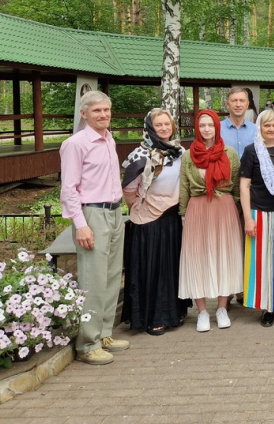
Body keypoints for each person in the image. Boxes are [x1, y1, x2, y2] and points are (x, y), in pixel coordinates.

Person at [59, 91, 129, 365]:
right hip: (92, 215)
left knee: (112, 277)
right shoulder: (76, 144)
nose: (103, 115)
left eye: (106, 110)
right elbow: (69, 190)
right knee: (93, 280)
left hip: (114, 213)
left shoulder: (108, 139)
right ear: (84, 114)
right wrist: (81, 225)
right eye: (97, 110)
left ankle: (104, 334)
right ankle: (88, 344)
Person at [121, 109, 190, 336]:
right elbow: (129, 189)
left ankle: (173, 312)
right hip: (148, 220)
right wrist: (138, 208)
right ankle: (152, 317)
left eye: (166, 124)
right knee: (152, 270)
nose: (163, 128)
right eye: (158, 125)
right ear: (150, 127)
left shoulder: (180, 152)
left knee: (170, 268)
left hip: (172, 218)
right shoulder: (140, 154)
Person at [178, 109, 243, 332]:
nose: (207, 129)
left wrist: (230, 205)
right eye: (202, 125)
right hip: (197, 208)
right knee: (198, 257)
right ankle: (203, 311)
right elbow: (184, 187)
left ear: (217, 126)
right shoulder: (188, 155)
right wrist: (183, 213)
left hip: (224, 207)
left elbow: (235, 183)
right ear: (197, 128)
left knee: (225, 255)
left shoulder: (229, 152)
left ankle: (222, 308)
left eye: (210, 125)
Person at [239, 109, 274, 326]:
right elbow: (244, 186)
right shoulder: (251, 151)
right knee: (261, 264)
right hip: (258, 213)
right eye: (266, 126)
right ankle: (266, 309)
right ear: (259, 128)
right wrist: (247, 218)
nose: (271, 129)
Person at [220, 87, 257, 155]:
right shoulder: (218, 129)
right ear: (227, 104)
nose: (238, 105)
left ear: (247, 104)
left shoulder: (255, 130)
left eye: (242, 100)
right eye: (234, 100)